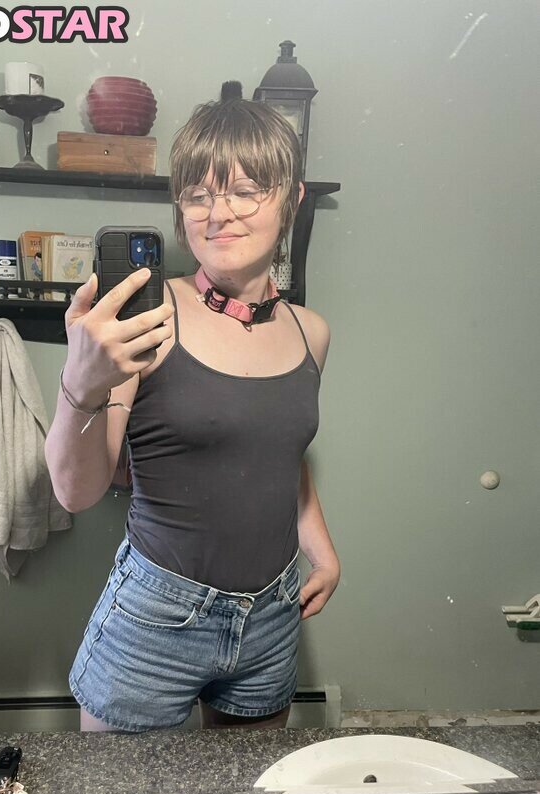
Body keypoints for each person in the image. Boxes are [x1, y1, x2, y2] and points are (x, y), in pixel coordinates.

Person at [45, 82, 341, 734]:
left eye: (245, 190)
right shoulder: (146, 321)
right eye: (199, 194)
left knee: (246, 793)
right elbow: (74, 492)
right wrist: (81, 382)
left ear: (291, 200)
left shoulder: (311, 332)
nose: (218, 214)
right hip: (156, 616)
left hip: (272, 615)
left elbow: (279, 454)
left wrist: (322, 551)